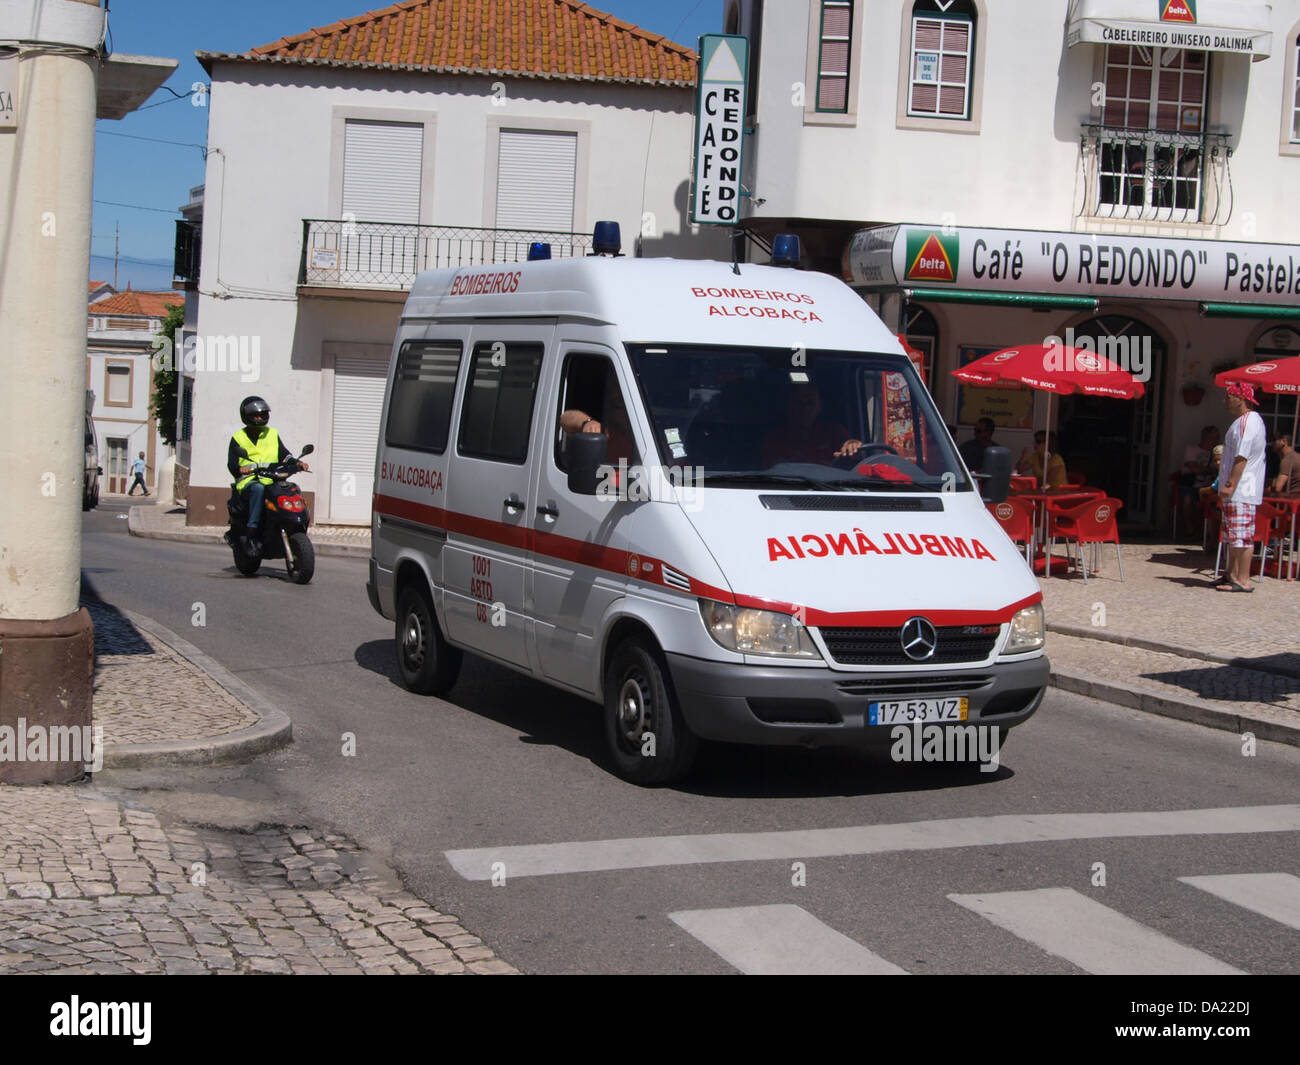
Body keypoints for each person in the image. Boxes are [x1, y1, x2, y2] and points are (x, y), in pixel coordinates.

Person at [228, 396, 308, 556]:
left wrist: (297, 463)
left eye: (263, 414)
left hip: (271, 478)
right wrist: (241, 469)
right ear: (246, 416)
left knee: (291, 489)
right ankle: (251, 533)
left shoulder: (272, 434)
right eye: (256, 415)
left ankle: (295, 525)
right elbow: (232, 464)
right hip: (249, 481)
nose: (260, 418)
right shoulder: (238, 438)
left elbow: (284, 454)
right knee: (258, 489)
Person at [1217, 381, 1267, 592]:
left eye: (1229, 396)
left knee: (1242, 537)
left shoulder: (1250, 421)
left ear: (1241, 399)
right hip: (1235, 491)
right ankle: (1231, 575)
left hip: (1242, 490)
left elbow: (1242, 456)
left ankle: (1243, 580)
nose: (1225, 400)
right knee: (1231, 535)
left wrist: (1230, 484)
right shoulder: (1239, 422)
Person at [760, 382, 859, 467]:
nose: (804, 409)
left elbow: (855, 459)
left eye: (810, 403)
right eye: (798, 403)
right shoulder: (774, 438)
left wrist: (853, 446)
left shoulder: (834, 431)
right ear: (787, 406)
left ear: (819, 407)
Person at [1180, 425, 1219, 536]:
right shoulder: (1191, 449)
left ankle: (1207, 534)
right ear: (1205, 437)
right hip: (1190, 484)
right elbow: (1194, 468)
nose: (1216, 440)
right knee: (1187, 501)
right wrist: (1209, 470)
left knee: (1213, 503)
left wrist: (1205, 471)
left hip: (1209, 485)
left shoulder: (1217, 453)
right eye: (1214, 437)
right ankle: (1190, 530)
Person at [1271, 433, 1300, 498]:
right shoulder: (1297, 456)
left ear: (1284, 441)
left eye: (1274, 440)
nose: (1272, 443)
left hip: (1292, 500)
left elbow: (1278, 488)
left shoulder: (1287, 460)